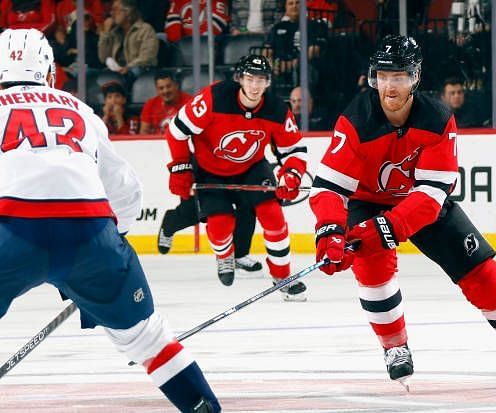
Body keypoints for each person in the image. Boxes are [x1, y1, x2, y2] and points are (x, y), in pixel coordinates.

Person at [309, 34, 496, 388]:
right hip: (368, 201)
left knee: (483, 272)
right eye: (383, 76)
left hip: (421, 204)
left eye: (398, 76)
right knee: (372, 268)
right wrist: (329, 231)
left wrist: (387, 227)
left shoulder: (437, 118)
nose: (389, 85)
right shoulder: (354, 120)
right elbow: (329, 188)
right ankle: (395, 346)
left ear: (415, 77)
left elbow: (433, 194)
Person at [0, 28, 220, 413]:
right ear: (49, 70)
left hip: (12, 231)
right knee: (150, 340)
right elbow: (126, 192)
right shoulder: (78, 108)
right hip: (91, 234)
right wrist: (106, 250)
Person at [165, 54, 308, 300]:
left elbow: (293, 150)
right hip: (210, 169)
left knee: (273, 216)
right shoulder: (214, 98)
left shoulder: (276, 109)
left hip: (252, 168)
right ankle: (224, 255)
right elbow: (176, 131)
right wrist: (181, 167)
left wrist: (291, 175)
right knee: (220, 225)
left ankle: (283, 277)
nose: (255, 86)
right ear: (240, 78)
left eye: (261, 80)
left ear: (268, 82)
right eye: (250, 78)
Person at [98, 0, 159, 83]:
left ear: (127, 12)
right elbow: (103, 58)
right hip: (118, 71)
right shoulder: (114, 33)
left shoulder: (145, 29)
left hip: (139, 71)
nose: (111, 14)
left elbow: (147, 57)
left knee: (133, 72)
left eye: (115, 9)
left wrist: (128, 67)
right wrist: (105, 33)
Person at [263, 0, 328, 75]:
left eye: (298, 3)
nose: (294, 6)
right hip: (278, 69)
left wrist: (291, 65)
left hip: (304, 69)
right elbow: (267, 51)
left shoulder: (316, 26)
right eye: (290, 3)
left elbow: (314, 51)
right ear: (286, 8)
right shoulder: (277, 27)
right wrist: (273, 66)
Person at [140, 70, 192, 135]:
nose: (165, 91)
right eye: (161, 88)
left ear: (176, 85)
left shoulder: (190, 103)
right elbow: (144, 132)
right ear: (157, 90)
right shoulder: (150, 105)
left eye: (168, 86)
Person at [164, 0, 230, 42]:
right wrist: (179, 43)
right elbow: (173, 28)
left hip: (209, 46)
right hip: (184, 47)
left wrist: (202, 41)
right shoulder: (177, 2)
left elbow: (216, 24)